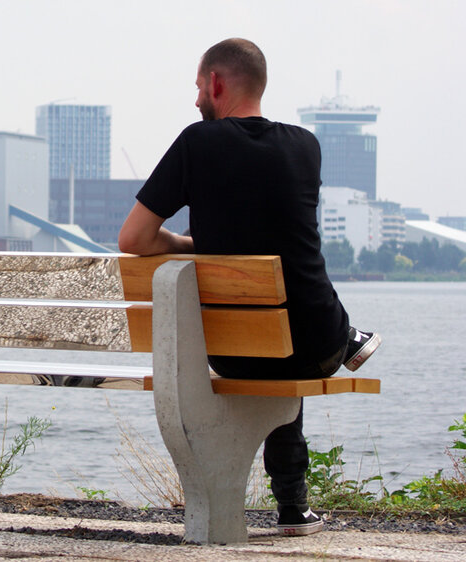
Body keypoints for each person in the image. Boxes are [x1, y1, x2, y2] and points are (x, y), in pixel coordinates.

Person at [118, 38, 380, 536]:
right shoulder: (306, 146)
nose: (196, 99)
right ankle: (293, 505)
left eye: (199, 86)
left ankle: (293, 504)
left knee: (269, 338)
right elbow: (278, 231)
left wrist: (190, 244)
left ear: (216, 83)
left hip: (233, 351)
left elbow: (133, 239)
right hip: (315, 343)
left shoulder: (196, 143)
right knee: (284, 334)